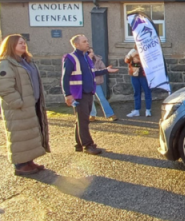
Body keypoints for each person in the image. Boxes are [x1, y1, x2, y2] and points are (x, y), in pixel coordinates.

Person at [0, 34, 50, 175]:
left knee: (29, 134)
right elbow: (4, 87)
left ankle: (29, 161)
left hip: (30, 104)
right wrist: (18, 102)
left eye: (24, 43)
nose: (23, 45)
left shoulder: (26, 61)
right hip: (18, 108)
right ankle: (20, 165)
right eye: (20, 43)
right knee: (19, 136)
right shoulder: (6, 63)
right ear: (11, 45)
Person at [62, 35, 118, 155]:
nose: (87, 43)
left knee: (80, 120)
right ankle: (88, 145)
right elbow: (65, 77)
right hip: (78, 94)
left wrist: (106, 70)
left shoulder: (86, 58)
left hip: (87, 93)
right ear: (77, 45)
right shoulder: (71, 58)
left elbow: (92, 73)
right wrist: (67, 94)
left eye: (87, 41)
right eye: (84, 41)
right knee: (83, 121)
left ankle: (78, 144)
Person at [88, 48, 118, 122]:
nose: (91, 53)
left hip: (96, 82)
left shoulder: (97, 60)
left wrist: (106, 69)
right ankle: (92, 115)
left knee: (102, 98)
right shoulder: (84, 61)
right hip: (87, 83)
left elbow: (103, 69)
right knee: (90, 99)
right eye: (89, 52)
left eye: (92, 51)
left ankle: (110, 114)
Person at [125, 46, 152, 117]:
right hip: (134, 75)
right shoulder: (132, 51)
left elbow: (150, 61)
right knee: (136, 92)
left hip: (144, 75)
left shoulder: (147, 50)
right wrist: (132, 56)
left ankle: (148, 110)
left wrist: (139, 59)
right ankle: (137, 110)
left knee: (147, 92)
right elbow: (126, 60)